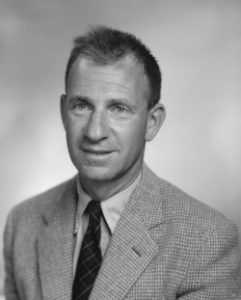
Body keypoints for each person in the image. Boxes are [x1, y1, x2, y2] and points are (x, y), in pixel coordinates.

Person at [3, 26, 241, 300]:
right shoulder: (22, 224)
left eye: (118, 109)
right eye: (82, 105)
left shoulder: (206, 241)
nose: (95, 132)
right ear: (63, 112)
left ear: (152, 123)